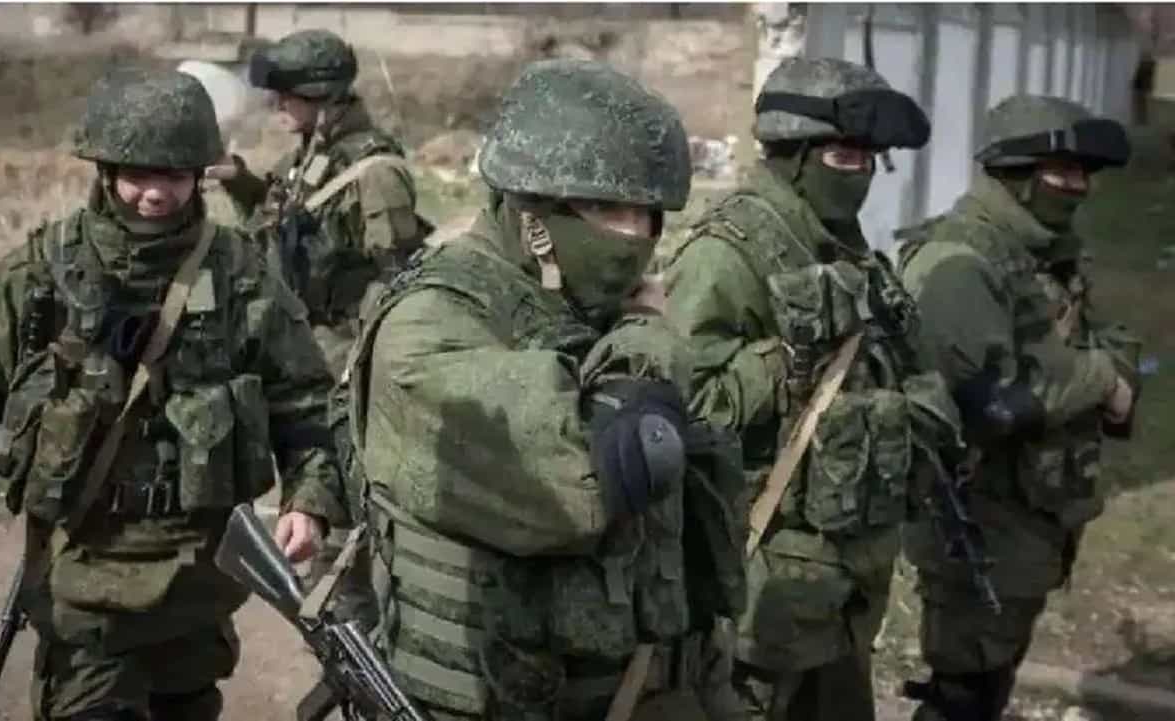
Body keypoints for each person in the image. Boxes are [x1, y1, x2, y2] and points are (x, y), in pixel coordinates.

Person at [0, 68, 343, 721]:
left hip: (197, 593)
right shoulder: (43, 273)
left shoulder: (241, 274)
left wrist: (310, 500)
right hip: (82, 585)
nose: (156, 193)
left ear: (200, 174)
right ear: (105, 170)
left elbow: (304, 401)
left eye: (175, 175)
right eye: (138, 174)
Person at [346, 58, 746, 721]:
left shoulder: (586, 302)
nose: (635, 236)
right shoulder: (431, 325)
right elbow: (594, 477)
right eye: (607, 208)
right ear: (531, 211)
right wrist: (649, 335)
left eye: (648, 213)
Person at [660, 56, 955, 721]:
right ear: (794, 155)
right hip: (763, 588)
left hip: (840, 588)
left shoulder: (844, 247)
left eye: (870, 158)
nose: (862, 174)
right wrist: (785, 357)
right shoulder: (728, 253)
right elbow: (680, 405)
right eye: (845, 156)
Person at [895, 94, 1140, 721]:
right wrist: (1102, 380)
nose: (1079, 186)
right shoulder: (959, 260)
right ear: (1015, 171)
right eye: (1063, 171)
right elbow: (995, 404)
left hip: (1033, 516)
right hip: (978, 521)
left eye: (1085, 173)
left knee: (991, 679)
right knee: (963, 692)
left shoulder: (1044, 252)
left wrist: (1105, 375)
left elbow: (1111, 340)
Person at [209, 27, 430, 377]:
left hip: (343, 348)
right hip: (302, 330)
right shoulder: (315, 154)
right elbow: (282, 213)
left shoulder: (376, 172)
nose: (277, 104)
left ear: (324, 98)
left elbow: (396, 278)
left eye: (288, 95)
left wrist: (358, 363)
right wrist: (238, 180)